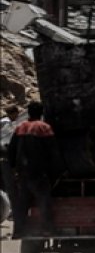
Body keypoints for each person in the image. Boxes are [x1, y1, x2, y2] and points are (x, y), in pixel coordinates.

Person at [8, 101, 55, 237]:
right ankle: (47, 229)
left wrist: (13, 168)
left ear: (28, 112)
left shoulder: (20, 127)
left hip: (23, 173)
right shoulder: (44, 128)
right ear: (41, 113)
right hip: (39, 173)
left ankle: (19, 230)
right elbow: (53, 152)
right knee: (44, 200)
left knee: (23, 202)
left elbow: (11, 150)